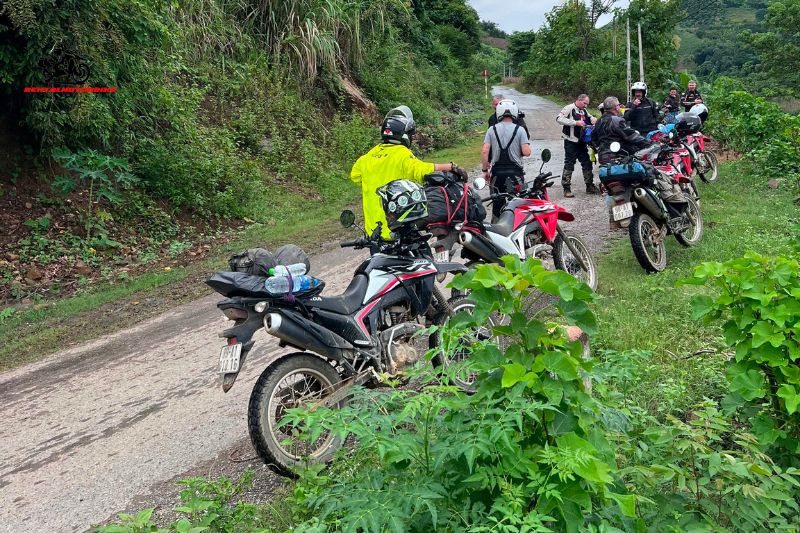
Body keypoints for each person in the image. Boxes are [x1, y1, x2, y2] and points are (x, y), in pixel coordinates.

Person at [350, 105, 468, 238]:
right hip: (396, 227)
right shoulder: (402, 154)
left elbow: (355, 176)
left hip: (373, 231)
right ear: (404, 134)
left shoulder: (368, 156)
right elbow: (422, 171)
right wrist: (451, 167)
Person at [592, 96, 687, 227]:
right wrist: (651, 144)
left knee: (614, 189)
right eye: (619, 105)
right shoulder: (617, 120)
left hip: (605, 162)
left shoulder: (599, 121)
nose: (620, 108)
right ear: (616, 107)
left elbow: (593, 139)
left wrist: (601, 149)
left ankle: (617, 218)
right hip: (621, 158)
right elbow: (632, 136)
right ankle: (670, 207)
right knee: (653, 174)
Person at [481, 99, 531, 221]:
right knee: (517, 203)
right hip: (515, 173)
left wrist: (485, 170)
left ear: (498, 112)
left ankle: (497, 227)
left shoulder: (491, 129)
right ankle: (516, 226)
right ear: (515, 112)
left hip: (496, 173)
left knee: (497, 203)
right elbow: (526, 152)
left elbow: (485, 151)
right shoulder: (520, 129)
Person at [556, 93, 599, 197]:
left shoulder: (584, 110)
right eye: (584, 103)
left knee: (587, 163)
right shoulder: (569, 108)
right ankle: (566, 188)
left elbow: (589, 117)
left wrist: (593, 118)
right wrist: (575, 122)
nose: (586, 106)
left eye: (587, 104)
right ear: (579, 100)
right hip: (570, 141)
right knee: (569, 163)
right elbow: (558, 119)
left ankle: (589, 186)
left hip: (582, 142)